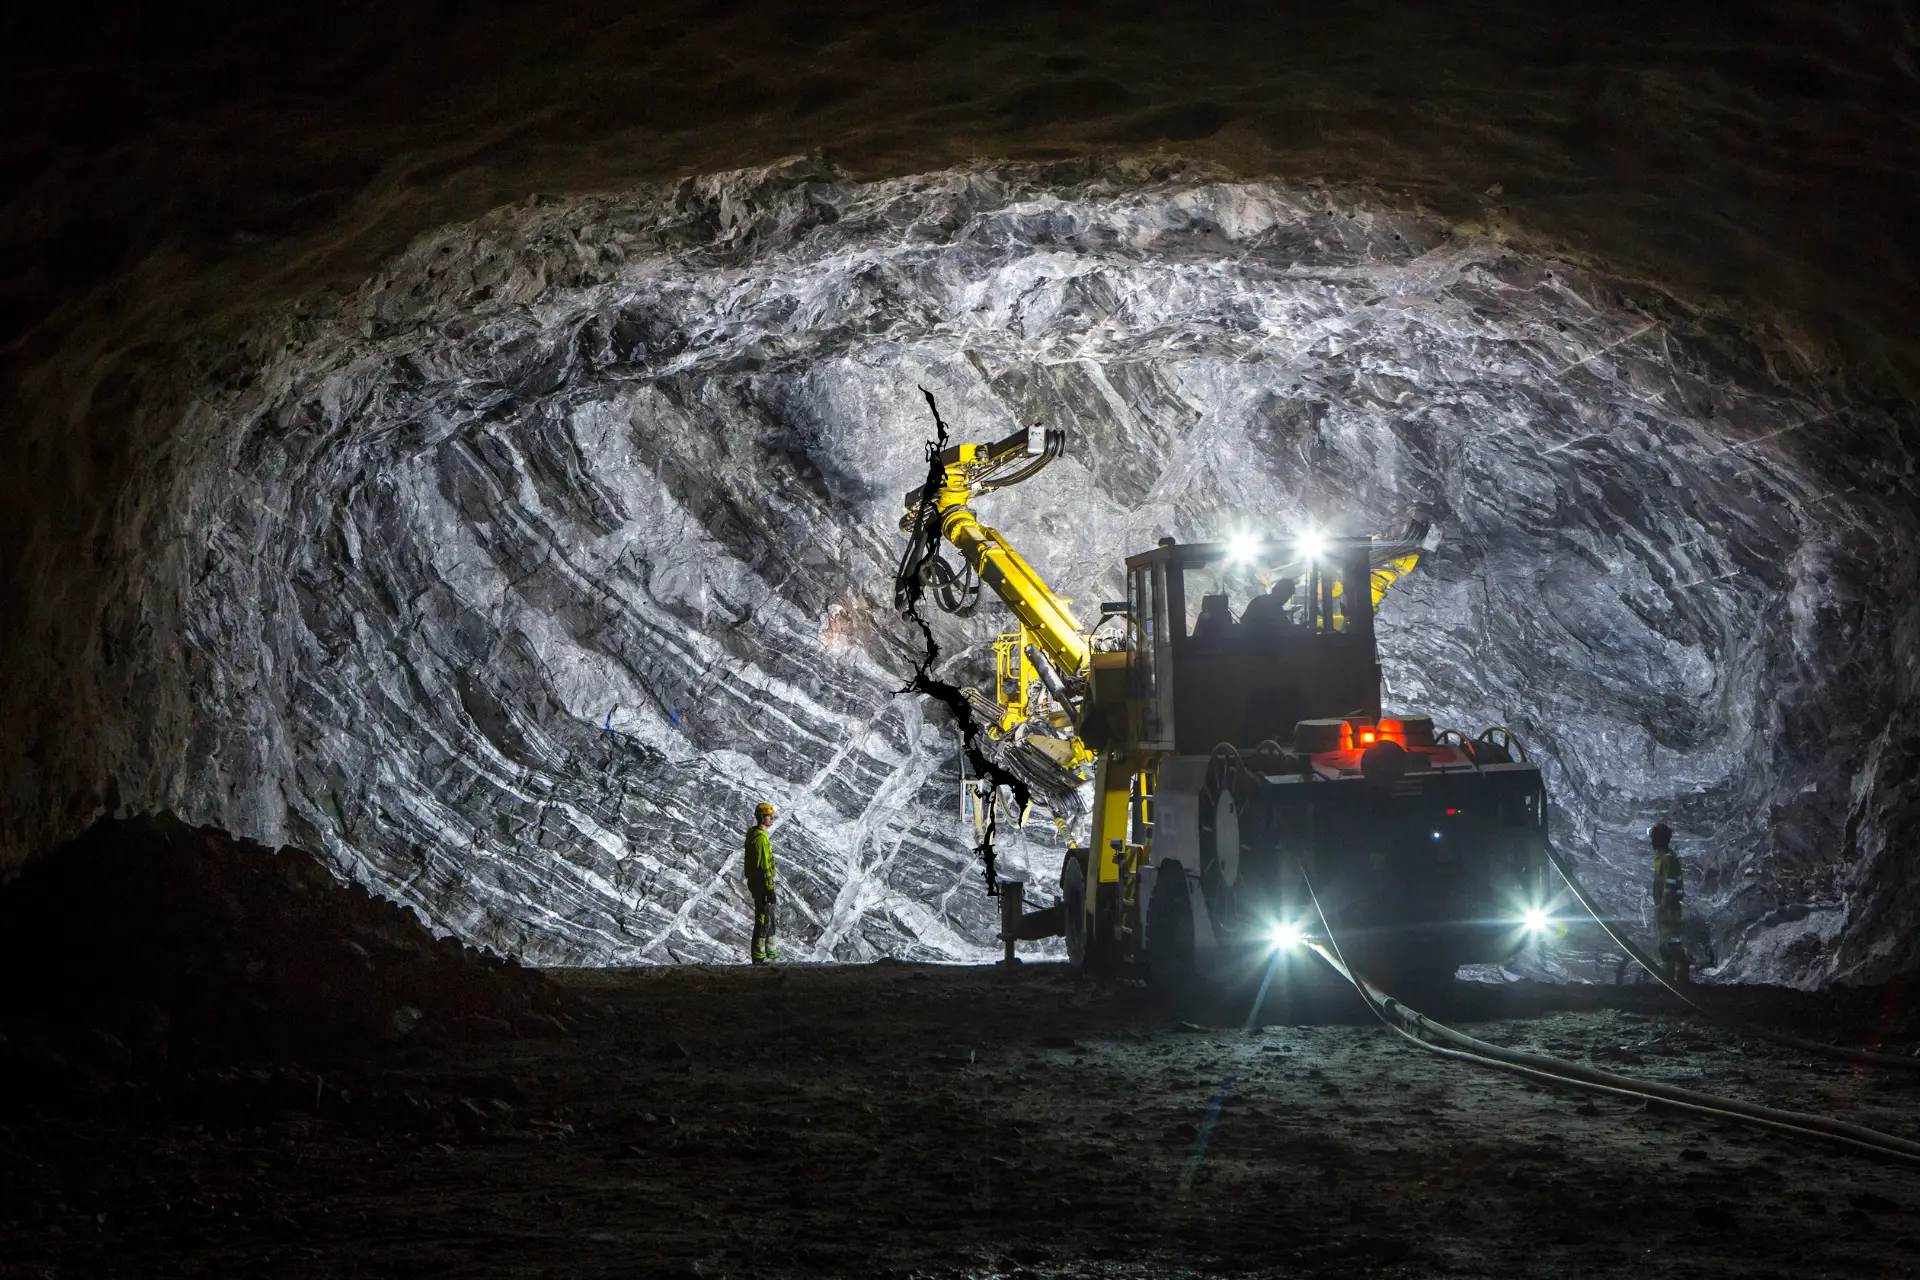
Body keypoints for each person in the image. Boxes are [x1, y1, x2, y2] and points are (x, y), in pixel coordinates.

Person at [1649, 823, 1689, 983]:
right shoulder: (1662, 859)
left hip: (1669, 910)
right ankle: (1669, 982)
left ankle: (1682, 983)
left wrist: (1664, 905)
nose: (1651, 841)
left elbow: (1671, 885)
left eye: (1653, 837)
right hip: (1664, 909)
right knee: (1666, 946)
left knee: (1672, 945)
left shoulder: (1668, 859)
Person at [745, 801, 778, 964]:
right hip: (762, 886)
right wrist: (769, 889)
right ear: (761, 817)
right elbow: (764, 866)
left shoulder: (755, 835)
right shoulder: (760, 840)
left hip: (759, 884)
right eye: (768, 816)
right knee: (764, 919)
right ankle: (759, 956)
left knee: (769, 917)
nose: (771, 819)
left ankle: (770, 953)